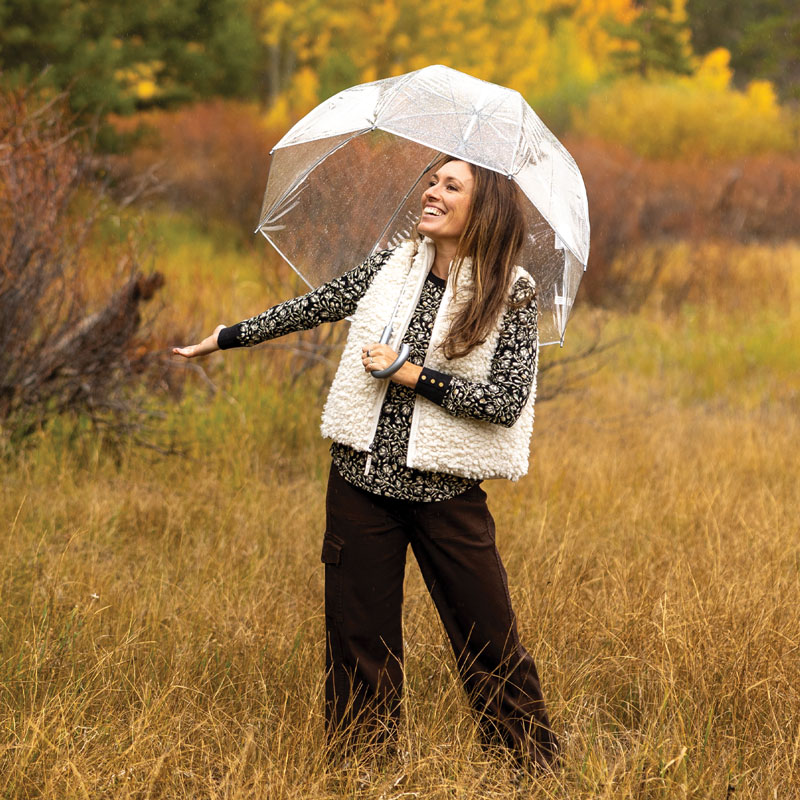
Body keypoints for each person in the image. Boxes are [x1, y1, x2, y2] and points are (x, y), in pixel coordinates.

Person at [174, 157, 559, 771]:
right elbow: (318, 305)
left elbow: (506, 404)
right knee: (359, 643)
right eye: (432, 181)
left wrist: (412, 375)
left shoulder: (511, 292)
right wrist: (228, 336)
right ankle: (363, 771)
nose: (431, 192)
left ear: (482, 208)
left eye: (450, 187)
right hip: (360, 485)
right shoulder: (394, 264)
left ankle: (533, 771)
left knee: (489, 640)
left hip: (446, 495)